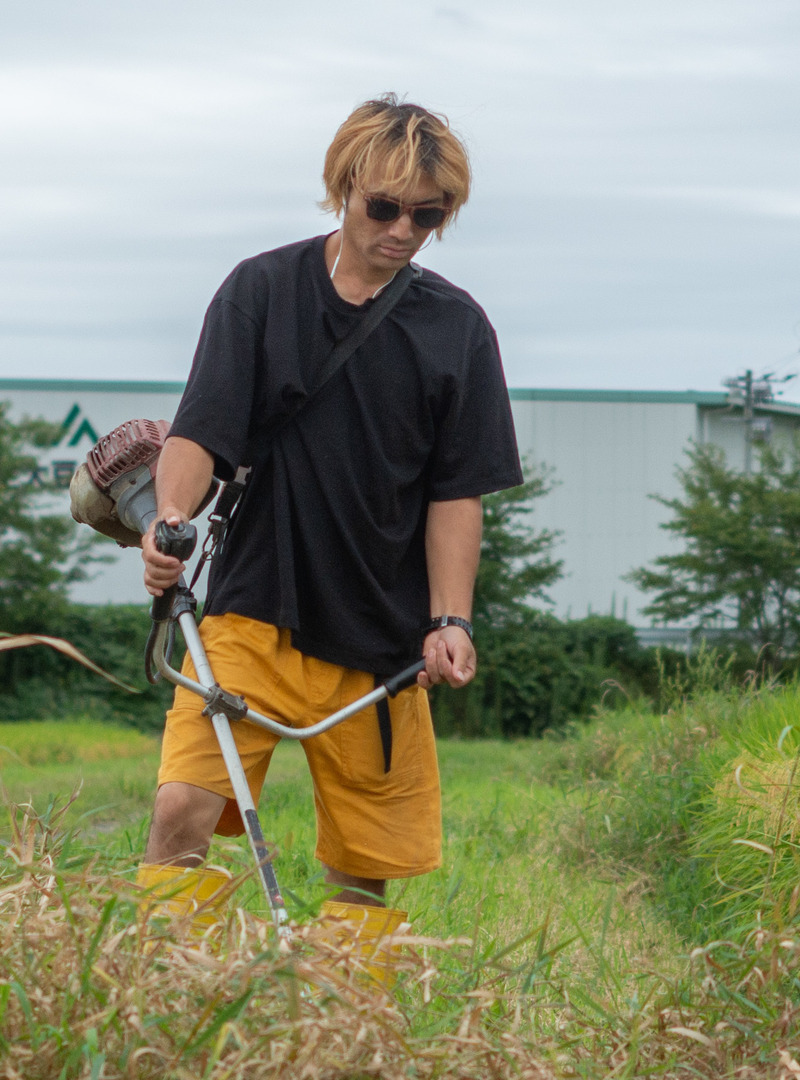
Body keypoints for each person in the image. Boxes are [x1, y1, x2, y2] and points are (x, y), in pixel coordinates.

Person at [136, 95, 523, 935]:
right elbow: (200, 431)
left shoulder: (456, 328)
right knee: (181, 810)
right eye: (384, 207)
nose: (403, 230)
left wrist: (450, 619)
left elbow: (456, 493)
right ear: (343, 186)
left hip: (382, 638)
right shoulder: (261, 291)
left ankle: (343, 1013)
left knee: (363, 872)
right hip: (253, 609)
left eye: (428, 215)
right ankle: (165, 989)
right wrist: (169, 518)